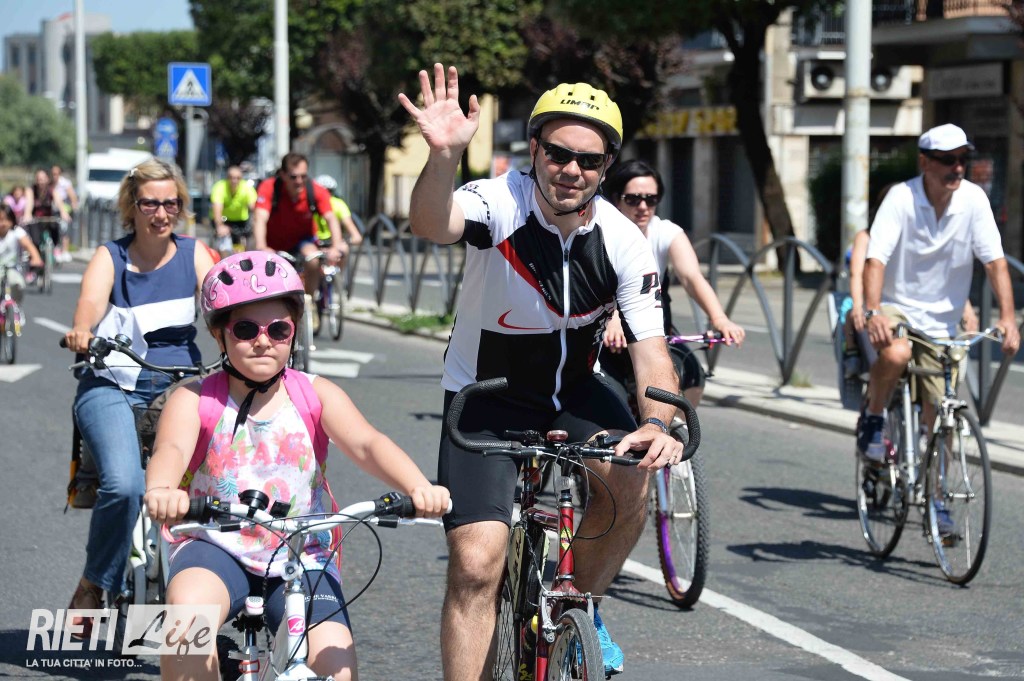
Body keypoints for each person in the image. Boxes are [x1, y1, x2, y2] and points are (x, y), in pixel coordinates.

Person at [398, 63, 682, 679]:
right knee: (477, 564)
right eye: (558, 153)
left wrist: (658, 423)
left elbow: (651, 351)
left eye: (589, 160)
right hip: (486, 398)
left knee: (631, 478)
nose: (571, 169)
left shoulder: (623, 241)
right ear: (534, 151)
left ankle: (581, 604)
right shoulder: (498, 202)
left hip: (574, 391)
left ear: (606, 167)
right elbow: (431, 223)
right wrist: (444, 157)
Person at [144, 251, 450, 681]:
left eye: (278, 329)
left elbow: (367, 444)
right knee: (185, 627)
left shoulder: (314, 393)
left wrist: (419, 488)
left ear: (294, 331)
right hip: (214, 545)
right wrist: (162, 490)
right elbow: (172, 449)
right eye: (245, 329)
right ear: (219, 335)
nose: (263, 341)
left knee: (336, 668)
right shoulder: (195, 398)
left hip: (300, 551)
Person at [62, 159, 215, 638]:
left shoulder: (194, 254)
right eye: (150, 203)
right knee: (126, 486)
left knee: (215, 487)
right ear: (133, 206)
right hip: (110, 381)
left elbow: (221, 302)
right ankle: (93, 583)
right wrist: (83, 329)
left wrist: (243, 332)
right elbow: (90, 302)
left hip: (178, 386)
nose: (161, 213)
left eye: (171, 203)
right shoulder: (110, 256)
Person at [858, 124, 1020, 511]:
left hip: (943, 320)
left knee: (941, 410)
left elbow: (995, 263)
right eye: (948, 160)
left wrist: (1008, 318)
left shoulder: (974, 200)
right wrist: (873, 311)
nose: (957, 168)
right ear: (925, 162)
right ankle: (874, 418)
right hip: (897, 304)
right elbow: (874, 260)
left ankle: (937, 499)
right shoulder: (901, 198)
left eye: (963, 159)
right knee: (896, 353)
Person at [599, 159, 745, 407]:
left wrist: (719, 319)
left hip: (651, 330)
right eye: (633, 199)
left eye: (651, 199)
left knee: (692, 375)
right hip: (606, 334)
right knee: (612, 398)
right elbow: (598, 286)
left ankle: (677, 428)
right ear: (617, 199)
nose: (643, 207)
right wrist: (611, 321)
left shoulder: (665, 232)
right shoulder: (602, 231)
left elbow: (691, 277)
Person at [252, 153, 346, 298]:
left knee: (312, 258)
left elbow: (331, 218)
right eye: (293, 177)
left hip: (303, 240)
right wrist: (261, 246)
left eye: (303, 176)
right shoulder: (270, 187)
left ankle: (309, 300)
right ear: (283, 175)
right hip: (273, 244)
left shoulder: (315, 190)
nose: (299, 181)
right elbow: (260, 217)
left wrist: (335, 246)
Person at [210, 165, 258, 256]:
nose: (234, 180)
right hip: (223, 219)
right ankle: (221, 258)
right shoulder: (220, 187)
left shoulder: (247, 188)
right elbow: (217, 208)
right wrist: (220, 225)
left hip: (241, 220)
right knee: (222, 244)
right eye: (231, 177)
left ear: (241, 179)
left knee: (244, 245)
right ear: (227, 178)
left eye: (238, 178)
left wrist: (257, 223)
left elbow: (254, 207)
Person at [0, 203, 43, 303]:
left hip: (13, 268)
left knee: (16, 283)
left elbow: (29, 246)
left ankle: (15, 305)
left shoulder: (16, 232)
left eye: (5, 219)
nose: (2, 223)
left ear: (11, 221)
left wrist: (36, 258)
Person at [24, 168, 71, 256]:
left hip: (49, 218)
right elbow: (29, 203)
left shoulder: (52, 190)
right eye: (39, 179)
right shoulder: (31, 190)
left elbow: (59, 202)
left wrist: (63, 213)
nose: (41, 182)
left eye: (43, 179)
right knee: (35, 239)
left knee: (56, 230)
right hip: (36, 219)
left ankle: (56, 248)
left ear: (47, 179)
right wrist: (27, 214)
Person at [313, 174, 364, 247]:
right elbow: (356, 237)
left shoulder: (339, 204)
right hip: (318, 242)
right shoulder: (339, 204)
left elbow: (356, 236)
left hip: (324, 242)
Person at [52, 164, 79, 262]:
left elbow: (73, 196)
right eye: (53, 174)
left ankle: (65, 250)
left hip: (64, 209)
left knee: (64, 230)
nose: (54, 176)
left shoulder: (65, 183)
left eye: (56, 174)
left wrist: (73, 207)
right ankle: (55, 250)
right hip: (53, 209)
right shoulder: (50, 183)